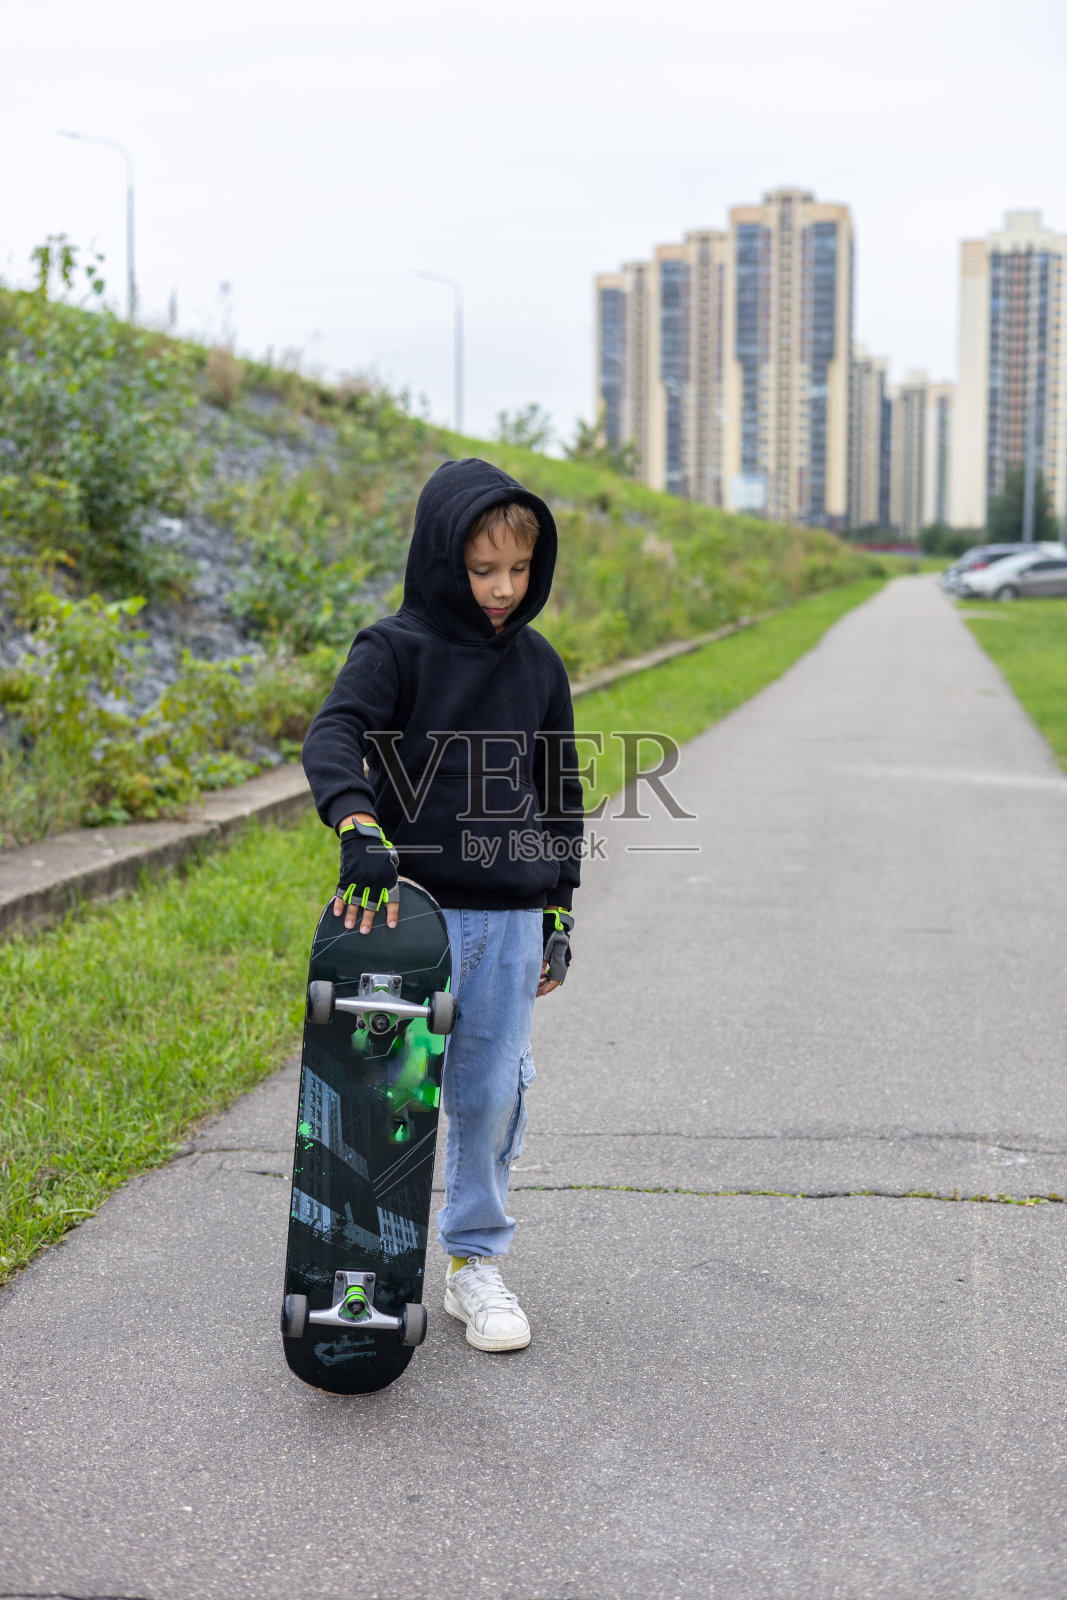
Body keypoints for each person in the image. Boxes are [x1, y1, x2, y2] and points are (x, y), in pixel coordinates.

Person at [301, 456, 583, 1352]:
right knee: (385, 1099)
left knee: (490, 1094)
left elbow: (558, 792)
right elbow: (335, 733)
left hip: (505, 921)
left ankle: (471, 1266)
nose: (503, 590)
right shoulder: (394, 650)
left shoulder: (538, 664)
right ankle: (362, 1264)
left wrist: (559, 912)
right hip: (405, 916)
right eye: (483, 569)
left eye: (519, 570)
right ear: (439, 558)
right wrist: (357, 824)